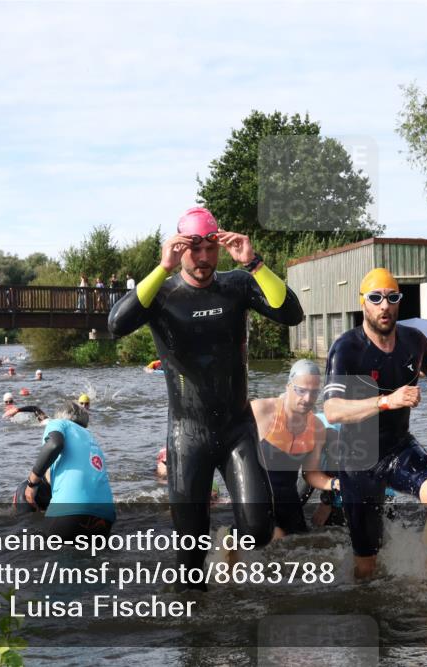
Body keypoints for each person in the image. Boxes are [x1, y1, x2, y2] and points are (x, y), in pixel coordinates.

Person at [109, 206, 304, 590]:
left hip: (236, 429)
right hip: (188, 436)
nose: (202, 258)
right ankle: (194, 635)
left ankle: (227, 548)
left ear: (219, 248)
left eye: (209, 248)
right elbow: (116, 324)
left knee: (259, 529)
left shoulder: (237, 285)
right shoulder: (161, 294)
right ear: (179, 249)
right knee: (189, 557)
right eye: (193, 248)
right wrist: (161, 269)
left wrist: (255, 264)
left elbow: (292, 315)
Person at [323, 268, 427, 581]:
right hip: (358, 459)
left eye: (392, 298)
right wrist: (385, 401)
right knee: (366, 569)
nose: (384, 305)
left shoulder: (414, 341)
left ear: (399, 302)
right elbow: (333, 409)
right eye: (376, 298)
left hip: (398, 447)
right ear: (363, 303)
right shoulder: (347, 349)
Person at [250, 360, 335, 539]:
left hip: (288, 500)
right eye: (301, 390)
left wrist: (334, 484)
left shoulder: (317, 427)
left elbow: (310, 474)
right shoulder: (261, 410)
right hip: (256, 498)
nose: (307, 398)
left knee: (305, 546)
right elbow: (225, 445)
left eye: (314, 392)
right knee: (276, 538)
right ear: (288, 386)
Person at [19, 401, 115, 538]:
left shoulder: (59, 424)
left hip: (70, 511)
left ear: (59, 416)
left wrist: (32, 483)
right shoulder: (91, 439)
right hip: (105, 519)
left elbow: (54, 444)